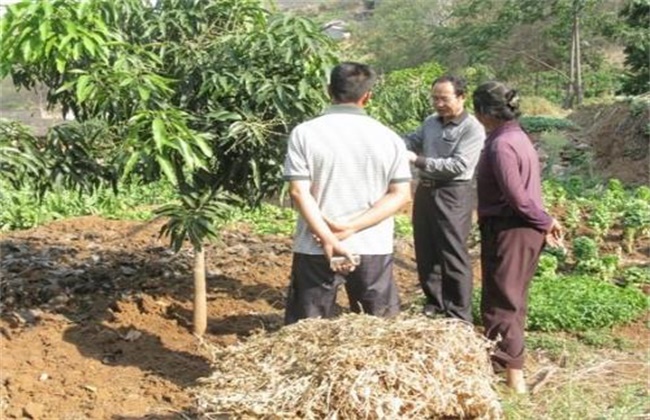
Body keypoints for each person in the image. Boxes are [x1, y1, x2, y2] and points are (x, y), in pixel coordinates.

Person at [282, 62, 412, 325]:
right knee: (378, 330)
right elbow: (400, 195)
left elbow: (298, 192)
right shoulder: (388, 138)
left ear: (328, 90)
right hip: (371, 246)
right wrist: (350, 228)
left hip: (315, 246)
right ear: (368, 96)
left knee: (306, 331)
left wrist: (328, 238)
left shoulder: (305, 133)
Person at [473, 81, 563, 393]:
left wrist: (546, 220)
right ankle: (507, 370)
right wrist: (543, 222)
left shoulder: (500, 145)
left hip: (511, 230)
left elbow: (518, 198)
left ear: (483, 112)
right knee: (513, 301)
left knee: (501, 305)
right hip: (522, 229)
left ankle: (513, 380)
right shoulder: (516, 136)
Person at [403, 75, 485, 323]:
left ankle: (459, 312)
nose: (438, 103)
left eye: (444, 99)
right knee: (426, 248)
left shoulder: (472, 128)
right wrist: (393, 144)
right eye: (435, 98)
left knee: (452, 252)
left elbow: (458, 165)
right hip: (426, 191)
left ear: (461, 97)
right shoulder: (431, 122)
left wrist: (417, 160)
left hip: (453, 193)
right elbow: (413, 140)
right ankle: (434, 304)